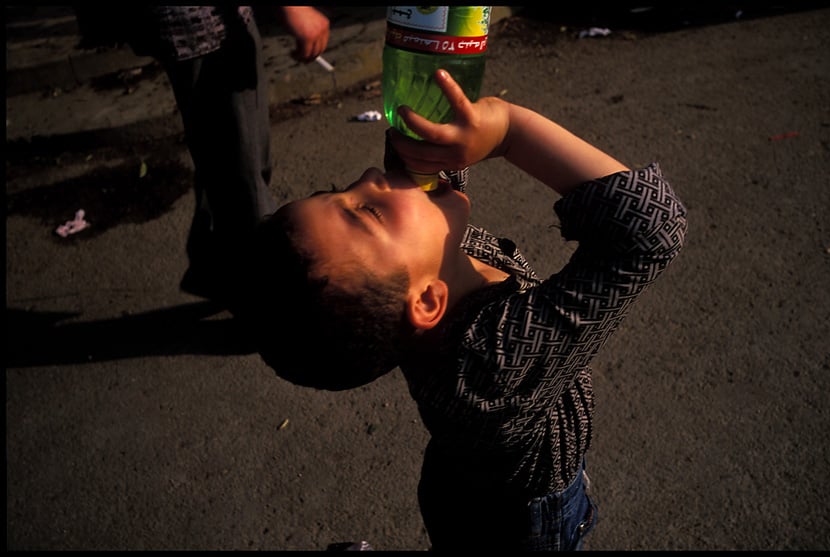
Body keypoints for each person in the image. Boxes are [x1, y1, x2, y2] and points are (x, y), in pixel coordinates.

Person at [232, 69, 688, 550]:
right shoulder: (491, 366)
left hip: (463, 485)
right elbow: (649, 228)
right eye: (366, 210)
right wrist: (510, 131)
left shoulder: (428, 270)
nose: (370, 177)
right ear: (428, 302)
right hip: (517, 526)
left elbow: (434, 156)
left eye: (341, 190)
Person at [75, 6, 331, 301]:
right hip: (205, 24)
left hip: (204, 22)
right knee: (242, 177)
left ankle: (214, 265)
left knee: (226, 155)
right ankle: (267, 306)